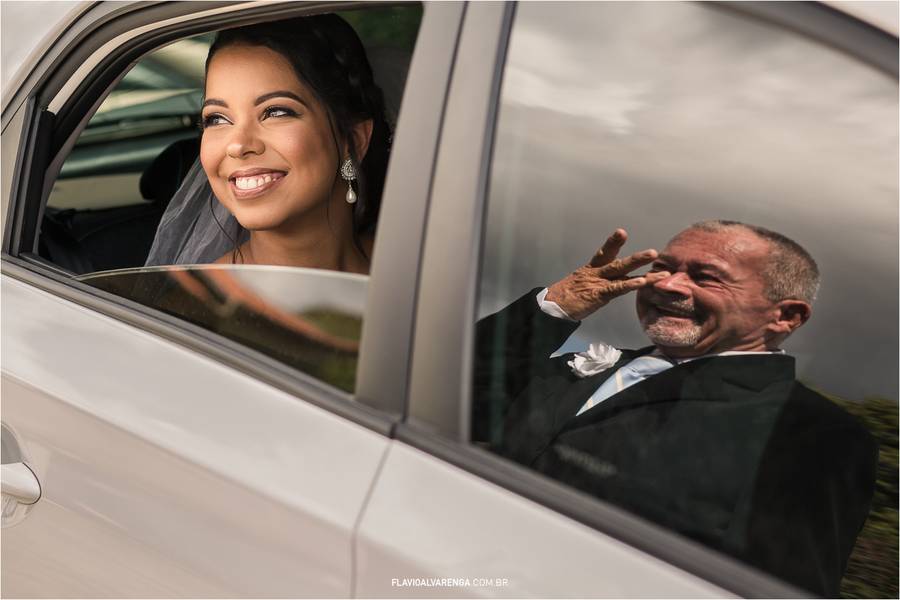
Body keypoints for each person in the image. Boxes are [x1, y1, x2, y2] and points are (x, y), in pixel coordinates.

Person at [473, 220, 877, 597]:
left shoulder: (811, 433)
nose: (669, 285)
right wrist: (556, 308)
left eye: (706, 277)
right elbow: (446, 392)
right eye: (664, 268)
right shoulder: (569, 368)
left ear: (785, 316)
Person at [145, 15, 391, 271]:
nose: (237, 145)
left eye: (275, 112)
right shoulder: (189, 306)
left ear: (355, 141)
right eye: (217, 119)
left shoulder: (416, 271)